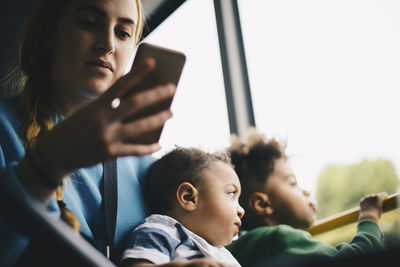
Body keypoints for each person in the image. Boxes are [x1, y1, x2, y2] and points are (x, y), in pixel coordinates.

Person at [0, 0, 177, 265]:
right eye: (88, 23)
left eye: (123, 33)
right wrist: (45, 166)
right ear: (50, 34)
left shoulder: (144, 164)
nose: (108, 44)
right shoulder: (4, 128)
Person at [225, 127, 388, 267]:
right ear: (262, 204)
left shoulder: (236, 250)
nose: (307, 192)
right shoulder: (280, 238)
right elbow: (356, 259)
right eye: (293, 182)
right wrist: (369, 217)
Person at [120, 147, 244, 267]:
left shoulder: (220, 252)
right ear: (189, 198)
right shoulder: (162, 230)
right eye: (231, 193)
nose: (241, 210)